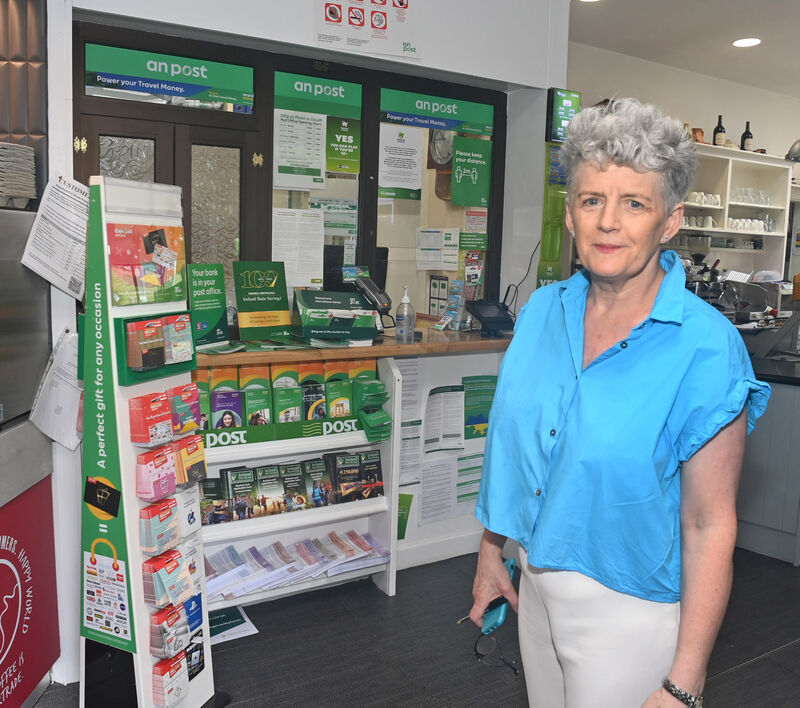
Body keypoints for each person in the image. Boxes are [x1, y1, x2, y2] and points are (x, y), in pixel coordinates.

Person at [470, 98, 770, 708]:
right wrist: (491, 553)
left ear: (669, 222)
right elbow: (517, 451)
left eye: (634, 203)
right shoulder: (540, 314)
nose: (609, 222)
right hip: (534, 587)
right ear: (572, 217)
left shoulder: (705, 348)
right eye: (592, 200)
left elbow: (709, 523)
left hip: (627, 614)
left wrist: (685, 682)